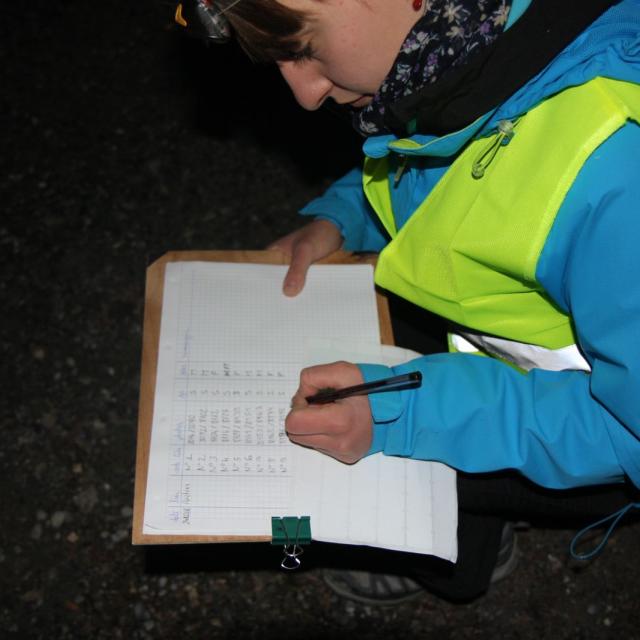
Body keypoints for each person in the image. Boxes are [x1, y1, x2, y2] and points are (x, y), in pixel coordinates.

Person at [174, 0, 640, 603]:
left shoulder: (619, 178)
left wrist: (412, 417)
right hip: (502, 347)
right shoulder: (458, 49)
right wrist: (346, 217)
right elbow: (443, 164)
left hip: (598, 426)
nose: (305, 94)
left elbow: (627, 431)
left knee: (390, 431)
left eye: (305, 47)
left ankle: (462, 557)